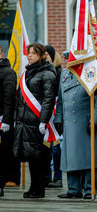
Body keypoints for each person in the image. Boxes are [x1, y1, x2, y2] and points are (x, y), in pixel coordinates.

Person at [54, 68, 97, 199]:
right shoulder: (65, 73)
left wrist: (95, 120)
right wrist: (58, 118)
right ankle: (73, 189)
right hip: (69, 122)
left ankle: (90, 189)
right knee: (71, 156)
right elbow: (61, 99)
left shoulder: (90, 70)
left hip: (86, 122)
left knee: (88, 157)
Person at [13, 43, 56, 198]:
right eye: (28, 53)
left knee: (39, 156)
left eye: (33, 53)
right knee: (31, 155)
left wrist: (43, 121)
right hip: (25, 121)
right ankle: (33, 187)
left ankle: (39, 189)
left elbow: (48, 99)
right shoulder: (28, 72)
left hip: (37, 122)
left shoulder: (47, 74)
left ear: (41, 55)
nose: (29, 55)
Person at [44, 45, 63, 188]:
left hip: (56, 111)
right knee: (45, 145)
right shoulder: (42, 70)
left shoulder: (59, 72)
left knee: (56, 146)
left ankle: (58, 177)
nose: (44, 57)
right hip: (45, 110)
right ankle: (46, 176)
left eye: (46, 54)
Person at [0, 45, 17, 197]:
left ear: (1, 53)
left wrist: (6, 119)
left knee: (2, 153)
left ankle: (1, 184)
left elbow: (9, 98)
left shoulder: (8, 72)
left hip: (1, 120)